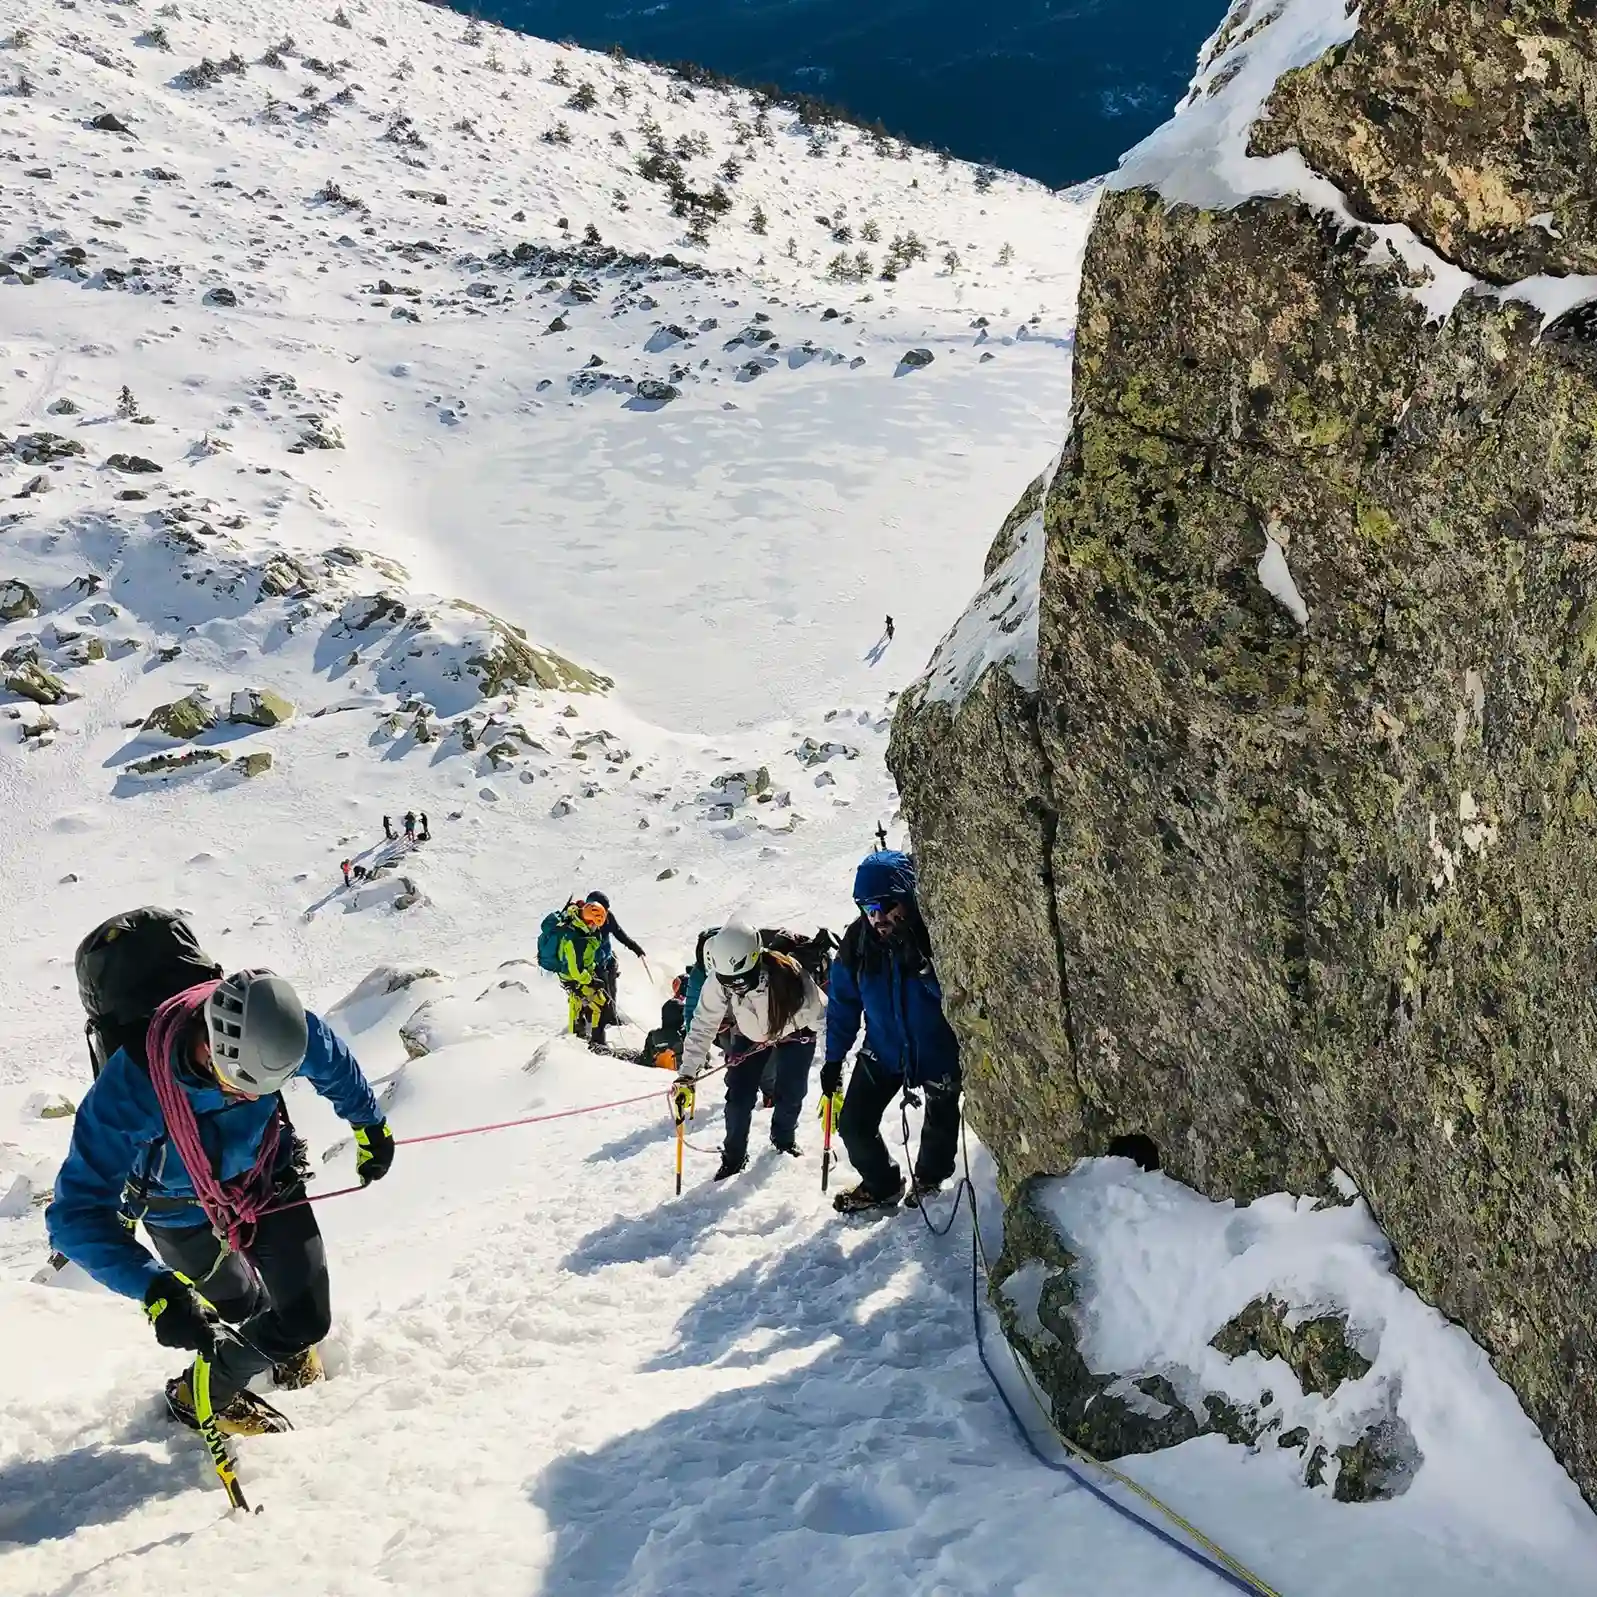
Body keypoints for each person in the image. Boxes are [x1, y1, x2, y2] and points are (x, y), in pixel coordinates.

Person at [47, 970, 394, 1435]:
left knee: (305, 1318)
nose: (253, 1097)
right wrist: (157, 1291)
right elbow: (74, 1216)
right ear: (209, 1047)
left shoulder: (276, 1029)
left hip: (266, 1178)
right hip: (177, 1208)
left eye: (266, 1088)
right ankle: (200, 1393)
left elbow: (329, 1058)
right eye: (242, 1084)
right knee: (236, 1308)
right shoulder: (130, 1090)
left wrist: (369, 1124)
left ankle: (242, 1370)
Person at [823, 850, 961, 1214]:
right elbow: (843, 1003)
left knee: (941, 1119)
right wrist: (833, 1059)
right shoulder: (858, 943)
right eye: (868, 909)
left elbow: (957, 996)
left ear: (907, 897)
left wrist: (921, 967)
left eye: (885, 906)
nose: (878, 918)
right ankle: (881, 1184)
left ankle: (930, 1178)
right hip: (883, 1048)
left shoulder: (935, 933)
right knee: (853, 1125)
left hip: (936, 1049)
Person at [676, 919, 825, 1181]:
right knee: (738, 1096)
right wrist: (687, 1073)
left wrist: (834, 1074)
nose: (735, 987)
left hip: (796, 1032)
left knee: (792, 1091)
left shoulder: (791, 975)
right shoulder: (720, 978)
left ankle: (784, 1140)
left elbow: (824, 1020)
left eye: (741, 981)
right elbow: (703, 1024)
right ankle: (733, 1157)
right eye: (729, 982)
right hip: (751, 1032)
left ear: (756, 959)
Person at [581, 890, 645, 1029]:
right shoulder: (584, 922)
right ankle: (601, 1021)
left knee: (611, 990)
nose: (604, 913)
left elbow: (618, 932)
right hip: (594, 964)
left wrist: (634, 948)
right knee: (603, 992)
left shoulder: (607, 917)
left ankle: (610, 1017)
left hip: (607, 959)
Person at [555, 899, 611, 1045]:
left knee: (579, 1005)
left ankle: (583, 1039)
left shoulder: (578, 929)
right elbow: (576, 970)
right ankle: (594, 1042)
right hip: (575, 978)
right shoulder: (577, 938)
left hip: (576, 976)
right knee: (597, 1003)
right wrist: (591, 981)